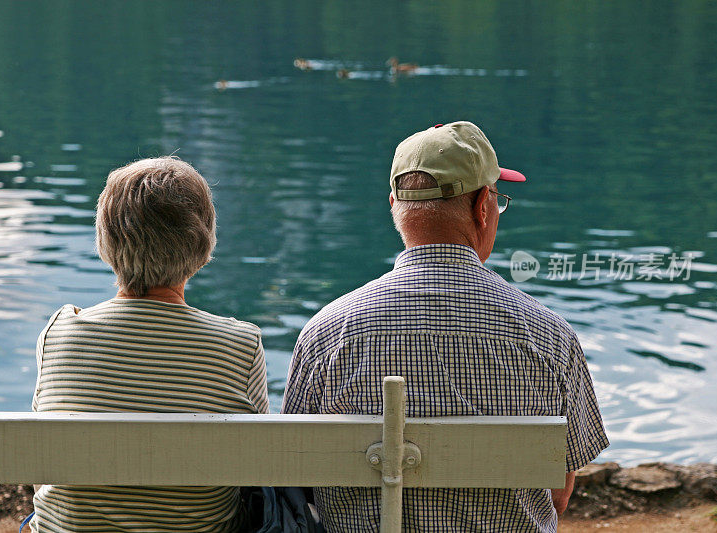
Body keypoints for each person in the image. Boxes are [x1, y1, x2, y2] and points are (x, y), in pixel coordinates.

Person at [281, 121, 609, 532]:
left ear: (394, 207)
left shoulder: (326, 333)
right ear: (482, 208)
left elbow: (294, 471)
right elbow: (559, 493)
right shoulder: (551, 337)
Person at [30, 157, 269, 532]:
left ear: (105, 241)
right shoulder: (240, 345)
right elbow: (255, 465)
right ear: (203, 241)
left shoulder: (61, 331)